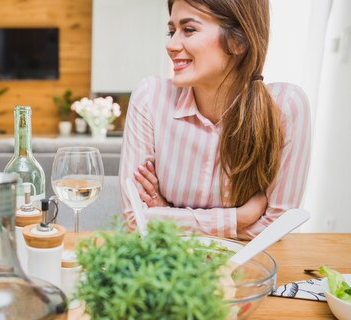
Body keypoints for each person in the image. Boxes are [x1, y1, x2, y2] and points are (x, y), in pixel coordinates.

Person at [119, 0, 310, 240]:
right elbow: (136, 219)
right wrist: (237, 218)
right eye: (171, 31)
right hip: (165, 269)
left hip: (245, 272)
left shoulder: (285, 106)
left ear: (237, 41)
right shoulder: (150, 98)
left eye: (188, 30)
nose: (171, 44)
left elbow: (277, 228)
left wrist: (166, 214)